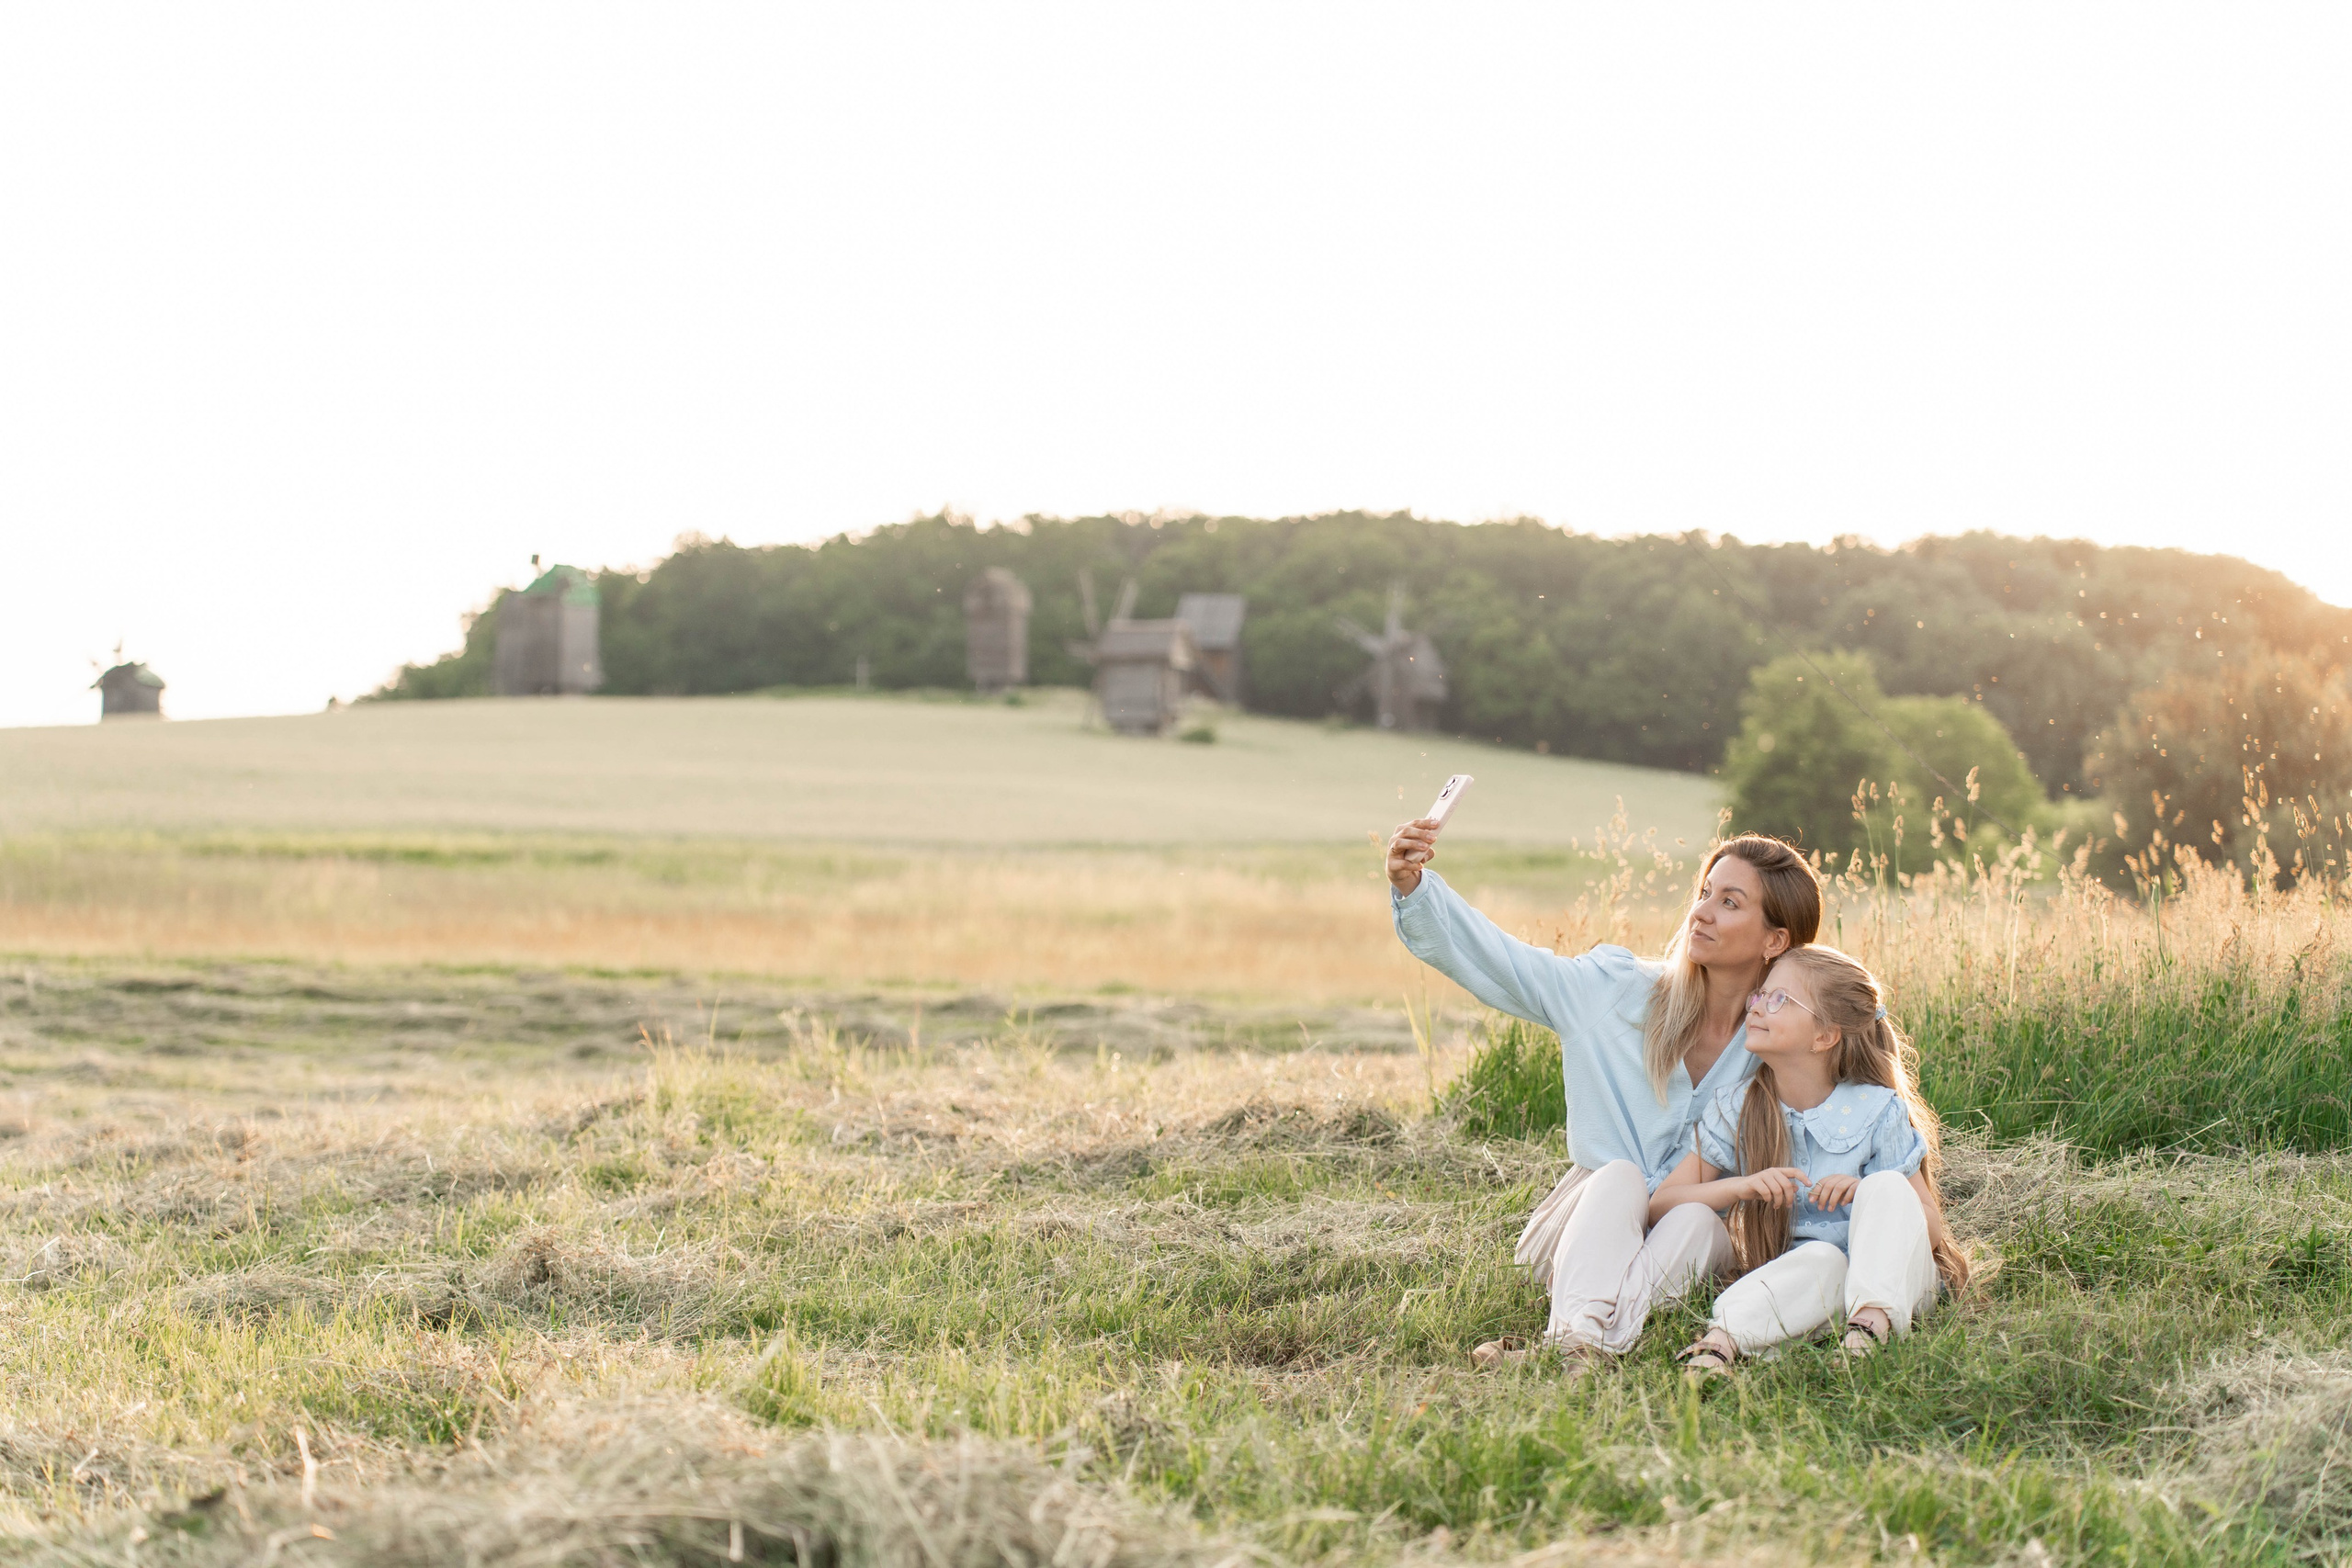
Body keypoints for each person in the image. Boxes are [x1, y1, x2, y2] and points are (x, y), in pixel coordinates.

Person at [1385, 820, 1822, 1371]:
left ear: (1775, 940)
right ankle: (1580, 1340)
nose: (1702, 912)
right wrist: (1415, 889)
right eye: (1704, 893)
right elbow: (1508, 963)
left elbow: (1839, 1126)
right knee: (1618, 1174)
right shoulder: (1616, 990)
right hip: (1587, 1226)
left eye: (1729, 902)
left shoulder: (1779, 1043)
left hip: (1681, 1243)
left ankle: (1571, 1346)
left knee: (1699, 1223)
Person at [1653, 943, 1971, 1381]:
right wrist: (1740, 1187)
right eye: (1760, 995)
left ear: (1824, 1036)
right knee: (1821, 1258)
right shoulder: (1738, 1107)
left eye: (1779, 999)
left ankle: (1868, 1330)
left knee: (1887, 1187)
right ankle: (1720, 1344)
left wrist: (1866, 1194)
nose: (1758, 1007)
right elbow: (1662, 1203)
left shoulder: (1879, 1109)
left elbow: (1930, 1228)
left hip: (1895, 1278)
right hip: (1811, 1282)